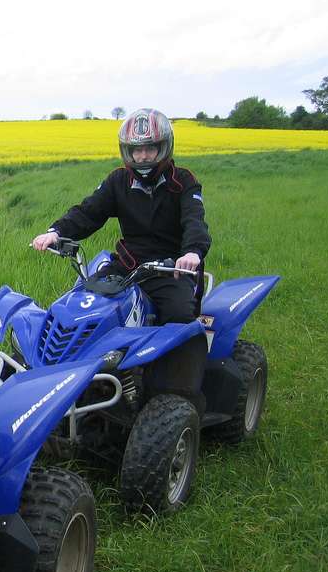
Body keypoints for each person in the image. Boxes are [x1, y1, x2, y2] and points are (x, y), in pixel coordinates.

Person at [31, 108, 210, 393]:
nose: (142, 157)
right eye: (136, 150)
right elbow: (89, 211)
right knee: (83, 303)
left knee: (179, 318)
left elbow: (194, 220)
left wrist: (192, 253)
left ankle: (179, 394)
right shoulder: (118, 181)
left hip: (170, 269)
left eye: (150, 149)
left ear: (164, 147)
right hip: (126, 265)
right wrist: (56, 232)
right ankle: (67, 375)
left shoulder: (184, 182)